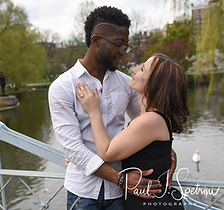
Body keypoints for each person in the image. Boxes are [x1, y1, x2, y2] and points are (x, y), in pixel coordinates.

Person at [48, 6, 173, 210]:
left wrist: (167, 151)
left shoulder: (128, 84)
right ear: (96, 41)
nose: (124, 52)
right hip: (84, 192)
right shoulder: (62, 87)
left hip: (122, 195)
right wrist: (121, 179)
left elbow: (149, 123)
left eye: (126, 45)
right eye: (119, 44)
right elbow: (73, 148)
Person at [76, 53, 189, 209]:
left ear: (154, 83)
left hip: (151, 203)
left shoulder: (150, 119)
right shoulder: (148, 117)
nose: (134, 70)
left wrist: (94, 111)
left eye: (142, 69)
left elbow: (106, 152)